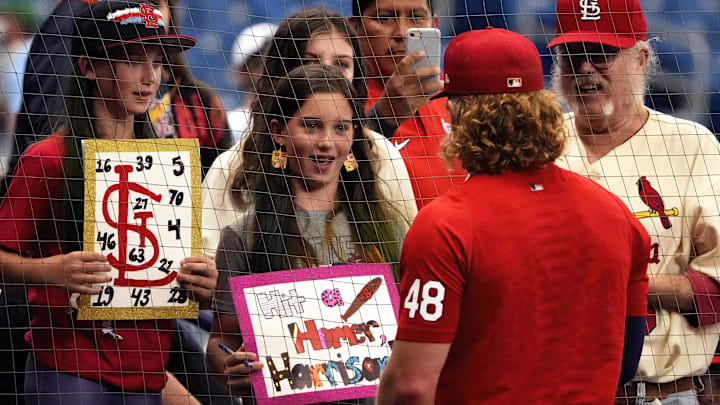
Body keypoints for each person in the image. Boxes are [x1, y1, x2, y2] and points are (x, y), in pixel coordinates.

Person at [376, 27, 650, 405]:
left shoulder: (446, 224)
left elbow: (410, 386)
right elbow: (625, 362)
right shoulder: (615, 214)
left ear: (456, 113)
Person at [0, 2, 217, 403]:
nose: (150, 77)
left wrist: (203, 281)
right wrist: (50, 270)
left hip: (149, 372)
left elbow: (178, 269)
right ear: (87, 66)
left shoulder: (171, 165)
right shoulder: (48, 158)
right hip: (68, 367)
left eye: (158, 61)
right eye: (133, 60)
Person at [548, 0, 720, 403]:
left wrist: (613, 286)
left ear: (642, 58)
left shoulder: (694, 146)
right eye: (573, 56)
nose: (586, 69)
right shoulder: (536, 143)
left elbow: (716, 287)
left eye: (602, 55)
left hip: (664, 394)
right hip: (554, 392)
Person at [207, 63, 408, 402]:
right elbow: (219, 340)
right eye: (312, 126)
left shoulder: (387, 226)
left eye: (341, 128)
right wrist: (228, 365)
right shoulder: (243, 237)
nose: (327, 143)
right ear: (278, 131)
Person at [201, 8, 417, 260]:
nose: (329, 75)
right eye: (311, 62)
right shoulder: (232, 167)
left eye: (342, 64)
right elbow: (211, 267)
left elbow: (407, 259)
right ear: (280, 72)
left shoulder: (381, 155)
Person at [349, 0, 466, 210]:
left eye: (416, 17)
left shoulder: (452, 100)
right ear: (355, 28)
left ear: (434, 25)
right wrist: (383, 119)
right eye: (384, 18)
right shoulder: (340, 102)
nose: (402, 32)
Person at [226, 22, 277, 143]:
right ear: (242, 71)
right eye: (263, 62)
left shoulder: (297, 120)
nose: (274, 69)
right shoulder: (230, 125)